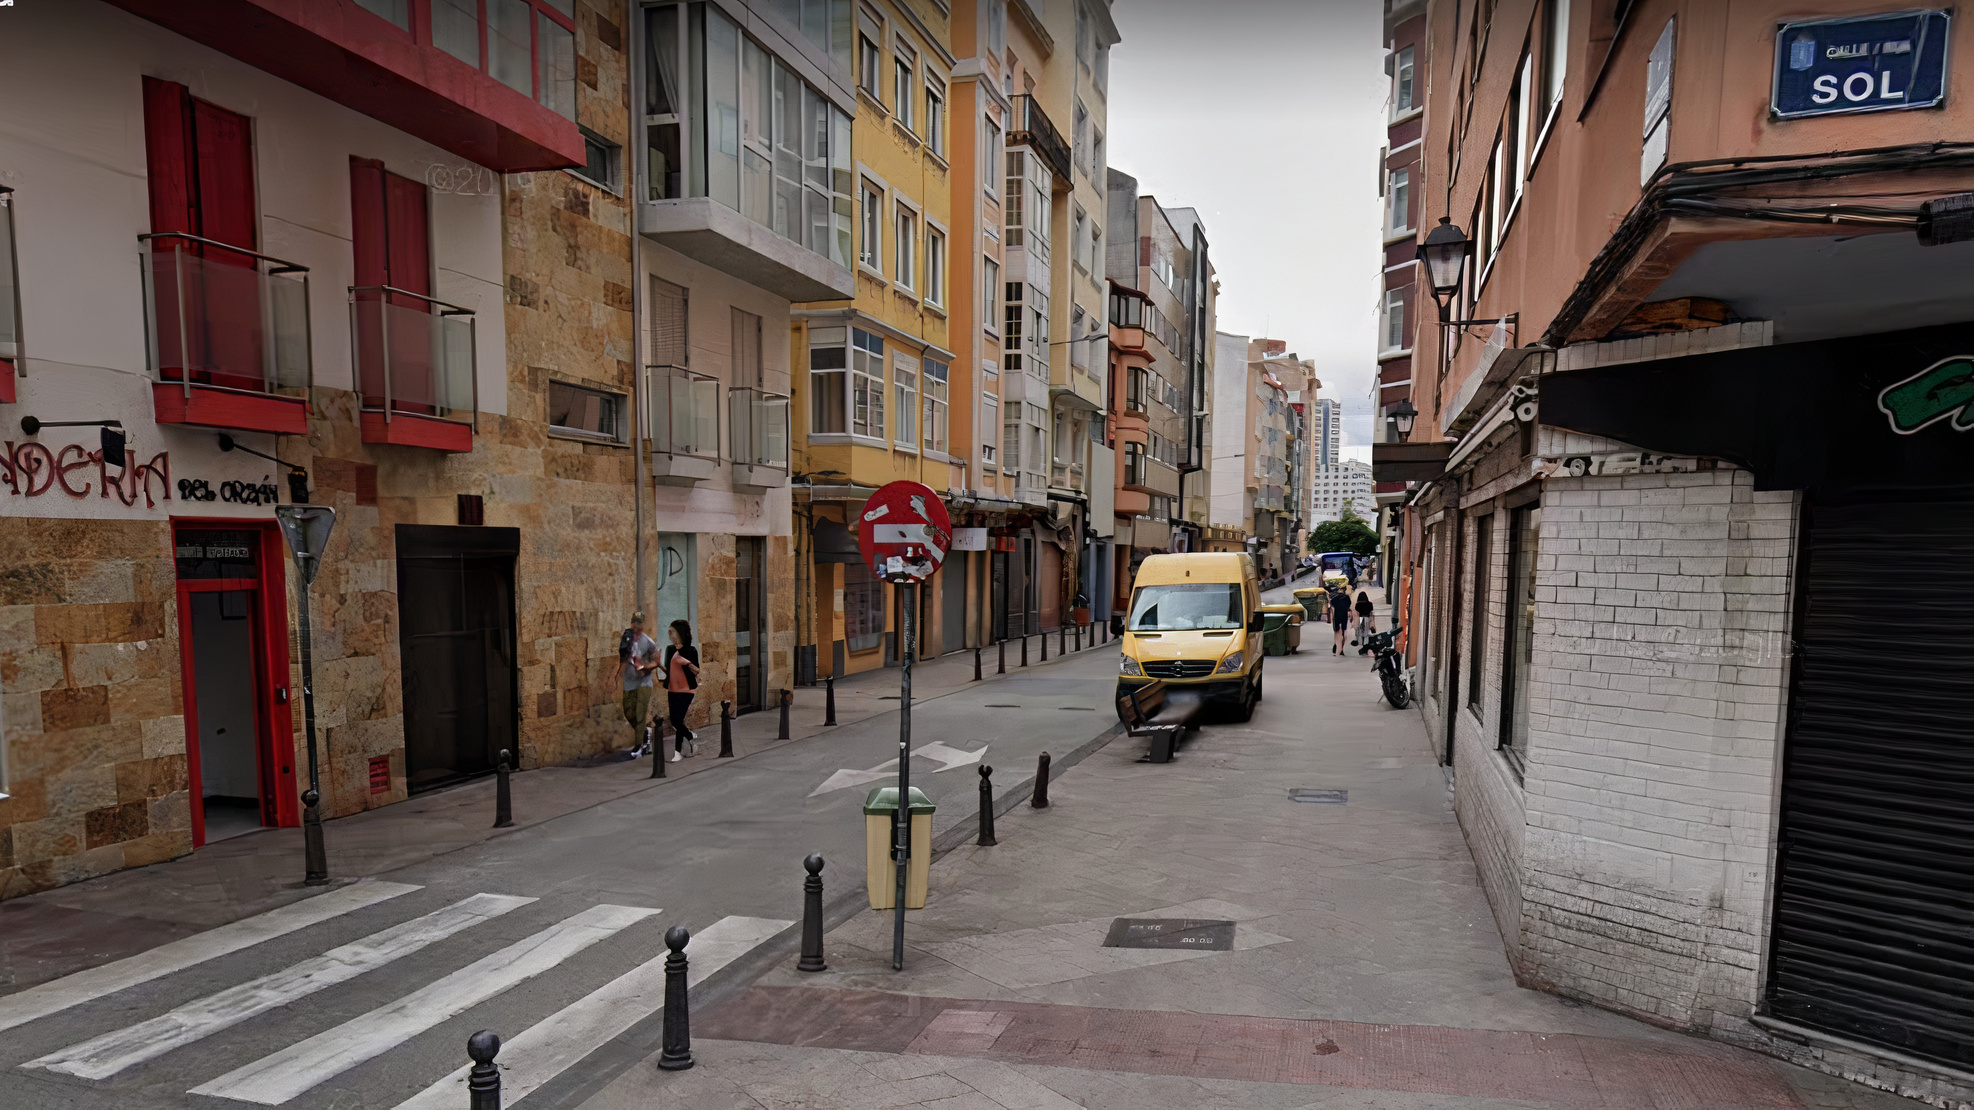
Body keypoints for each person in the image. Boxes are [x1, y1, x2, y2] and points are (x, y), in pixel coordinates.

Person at [617, 612, 659, 754]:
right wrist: (614, 678)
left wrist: (646, 667)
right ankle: (645, 733)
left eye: (640, 622)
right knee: (628, 712)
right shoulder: (626, 639)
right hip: (629, 682)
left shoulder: (648, 642)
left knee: (640, 714)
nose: (637, 625)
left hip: (644, 683)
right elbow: (622, 660)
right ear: (632, 623)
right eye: (635, 622)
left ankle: (639, 746)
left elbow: (656, 662)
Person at [662, 619, 702, 762]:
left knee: (677, 720)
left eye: (672, 631)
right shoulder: (670, 649)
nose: (669, 634)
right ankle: (680, 750)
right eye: (669, 631)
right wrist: (658, 665)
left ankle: (681, 747)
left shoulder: (690, 650)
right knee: (676, 721)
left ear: (680, 633)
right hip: (672, 690)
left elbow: (697, 671)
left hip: (686, 690)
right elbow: (669, 671)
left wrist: (686, 662)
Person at [1329, 586, 1353, 656]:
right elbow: (1349, 606)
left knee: (1336, 632)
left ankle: (1336, 644)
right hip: (1344, 616)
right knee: (1343, 632)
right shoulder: (1347, 598)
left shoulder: (1334, 598)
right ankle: (1341, 649)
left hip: (1336, 616)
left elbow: (1332, 607)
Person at [1354, 590, 1376, 654]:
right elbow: (1371, 611)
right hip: (1367, 618)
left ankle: (1363, 643)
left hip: (1360, 618)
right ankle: (1366, 645)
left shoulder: (1358, 604)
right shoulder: (1369, 604)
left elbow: (1356, 611)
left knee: (1361, 632)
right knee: (1366, 632)